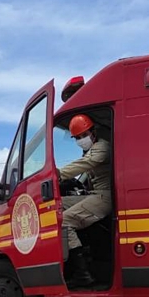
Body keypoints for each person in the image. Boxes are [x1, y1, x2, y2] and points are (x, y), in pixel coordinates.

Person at [57, 114, 112, 288]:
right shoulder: (91, 149)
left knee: (64, 221)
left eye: (84, 135)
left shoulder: (102, 147)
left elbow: (85, 164)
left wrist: (55, 175)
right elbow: (86, 174)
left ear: (93, 131)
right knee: (55, 205)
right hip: (94, 195)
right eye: (78, 138)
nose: (81, 139)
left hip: (105, 197)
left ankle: (83, 274)